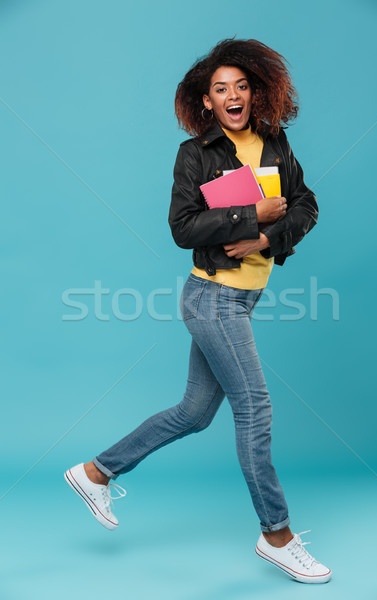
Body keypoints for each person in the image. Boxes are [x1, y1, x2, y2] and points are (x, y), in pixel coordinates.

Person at [64, 38, 331, 585]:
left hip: (244, 294)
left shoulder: (275, 141)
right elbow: (183, 228)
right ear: (205, 102)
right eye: (219, 89)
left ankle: (96, 472)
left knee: (194, 412)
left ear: (255, 92)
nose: (231, 95)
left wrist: (266, 238)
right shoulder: (196, 153)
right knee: (254, 408)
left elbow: (306, 205)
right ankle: (275, 534)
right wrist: (249, 213)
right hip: (213, 297)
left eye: (240, 86)